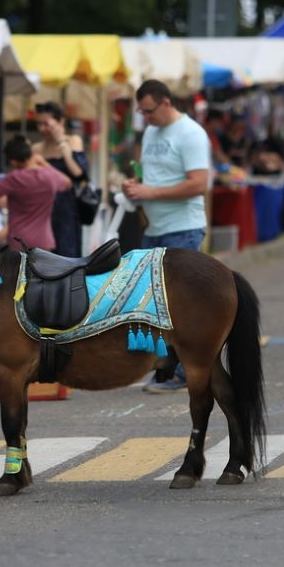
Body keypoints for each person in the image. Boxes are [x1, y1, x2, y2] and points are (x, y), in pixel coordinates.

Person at [122, 79, 210, 394]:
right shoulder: (151, 132)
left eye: (149, 111)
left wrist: (151, 193)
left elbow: (199, 184)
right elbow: (151, 175)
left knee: (180, 305)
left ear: (166, 103)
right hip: (155, 228)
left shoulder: (191, 134)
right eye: (142, 112)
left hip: (183, 227)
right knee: (151, 305)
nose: (146, 117)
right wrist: (135, 186)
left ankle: (185, 371)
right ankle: (162, 369)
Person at [0, 136, 72, 251]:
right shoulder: (49, 175)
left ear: (13, 161)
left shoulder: (14, 178)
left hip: (19, 242)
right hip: (44, 242)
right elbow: (67, 183)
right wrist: (45, 164)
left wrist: (1, 184)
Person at [33, 102, 87, 257]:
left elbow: (78, 172)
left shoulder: (73, 141)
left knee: (67, 256)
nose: (42, 129)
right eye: (39, 124)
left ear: (61, 121)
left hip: (67, 210)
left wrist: (61, 141)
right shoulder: (36, 149)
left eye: (46, 124)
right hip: (42, 210)